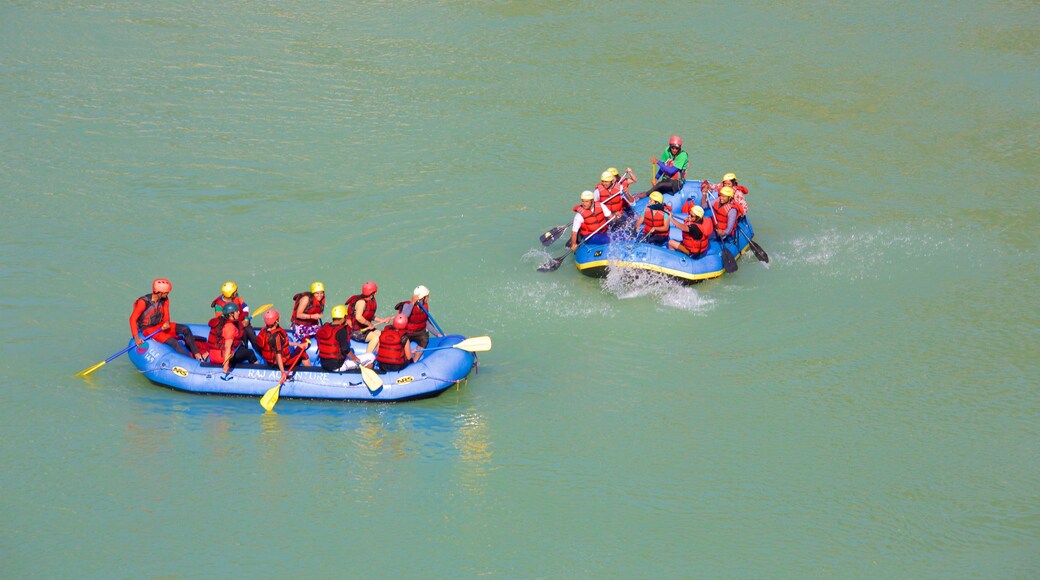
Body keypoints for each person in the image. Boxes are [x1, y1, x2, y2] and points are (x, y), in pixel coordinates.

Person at [129, 278, 204, 361]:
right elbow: (132, 319)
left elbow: (166, 314)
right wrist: (136, 338)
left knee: (185, 329)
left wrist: (167, 322)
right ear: (159, 292)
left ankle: (197, 354)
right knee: (174, 343)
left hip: (160, 325)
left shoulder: (165, 299)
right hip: (148, 329)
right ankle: (191, 361)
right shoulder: (142, 302)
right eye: (166, 292)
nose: (167, 294)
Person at [316, 305, 376, 372]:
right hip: (337, 366)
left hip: (324, 364)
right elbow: (345, 349)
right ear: (343, 317)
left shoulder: (325, 327)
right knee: (371, 356)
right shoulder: (341, 330)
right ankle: (361, 375)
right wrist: (355, 358)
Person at [209, 280, 261, 352]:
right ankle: (244, 353)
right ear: (231, 294)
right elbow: (221, 320)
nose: (237, 292)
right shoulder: (219, 305)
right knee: (242, 338)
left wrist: (246, 319)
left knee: (252, 335)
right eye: (235, 291)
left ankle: (261, 354)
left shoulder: (236, 296)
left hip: (243, 322)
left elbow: (245, 307)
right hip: (231, 327)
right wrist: (239, 325)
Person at [397, 285, 443, 362]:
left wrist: (437, 334)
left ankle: (415, 361)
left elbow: (426, 322)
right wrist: (412, 303)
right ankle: (403, 358)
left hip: (419, 332)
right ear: (422, 298)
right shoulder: (407, 305)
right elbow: (404, 316)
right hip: (407, 332)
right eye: (427, 296)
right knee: (401, 341)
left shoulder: (425, 306)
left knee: (424, 339)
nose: (428, 298)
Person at [257, 309, 312, 373]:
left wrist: (298, 345)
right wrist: (282, 373)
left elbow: (283, 343)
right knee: (303, 354)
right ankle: (311, 372)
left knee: (299, 349)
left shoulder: (264, 331)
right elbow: (278, 355)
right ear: (277, 321)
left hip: (270, 362)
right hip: (281, 363)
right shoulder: (277, 336)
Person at [207, 303, 258, 373]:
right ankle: (256, 371)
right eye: (237, 311)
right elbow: (228, 347)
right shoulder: (230, 327)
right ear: (231, 314)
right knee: (250, 353)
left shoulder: (220, 322)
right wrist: (226, 365)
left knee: (241, 346)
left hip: (213, 356)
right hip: (222, 358)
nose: (239, 312)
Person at [343, 281, 388, 353]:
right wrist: (369, 324)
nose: (376, 293)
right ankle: (367, 359)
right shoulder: (361, 303)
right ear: (372, 293)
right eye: (375, 291)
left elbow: (369, 315)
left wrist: (382, 320)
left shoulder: (370, 300)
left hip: (365, 329)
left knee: (382, 335)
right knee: (375, 338)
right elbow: (358, 317)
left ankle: (378, 355)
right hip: (356, 331)